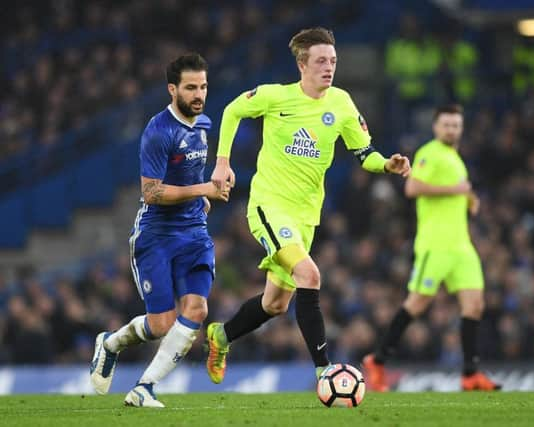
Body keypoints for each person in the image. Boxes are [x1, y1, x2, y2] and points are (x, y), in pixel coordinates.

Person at [206, 27, 412, 384]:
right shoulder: (275, 97)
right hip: (269, 205)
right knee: (310, 274)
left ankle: (220, 336)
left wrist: (387, 165)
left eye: (332, 61)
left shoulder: (342, 103)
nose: (328, 68)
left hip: (306, 215)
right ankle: (325, 371)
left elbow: (363, 152)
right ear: (302, 64)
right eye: (320, 61)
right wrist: (223, 162)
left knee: (275, 304)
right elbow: (232, 110)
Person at [90, 53, 231, 407]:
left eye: (203, 86)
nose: (199, 94)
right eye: (191, 87)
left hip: (194, 233)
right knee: (162, 324)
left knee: (197, 310)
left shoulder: (203, 124)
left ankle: (144, 387)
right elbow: (151, 193)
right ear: (172, 89)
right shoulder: (158, 132)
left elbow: (190, 174)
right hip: (157, 236)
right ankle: (110, 344)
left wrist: (203, 197)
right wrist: (203, 191)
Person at [362, 104, 501, 392]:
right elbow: (412, 188)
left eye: (456, 125)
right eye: (446, 124)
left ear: (461, 128)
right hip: (435, 244)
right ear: (436, 127)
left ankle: (470, 373)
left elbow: (457, 189)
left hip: (461, 245)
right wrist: (456, 191)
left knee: (474, 304)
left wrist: (469, 199)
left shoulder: (454, 158)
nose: (451, 129)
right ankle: (377, 361)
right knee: (417, 303)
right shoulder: (429, 153)